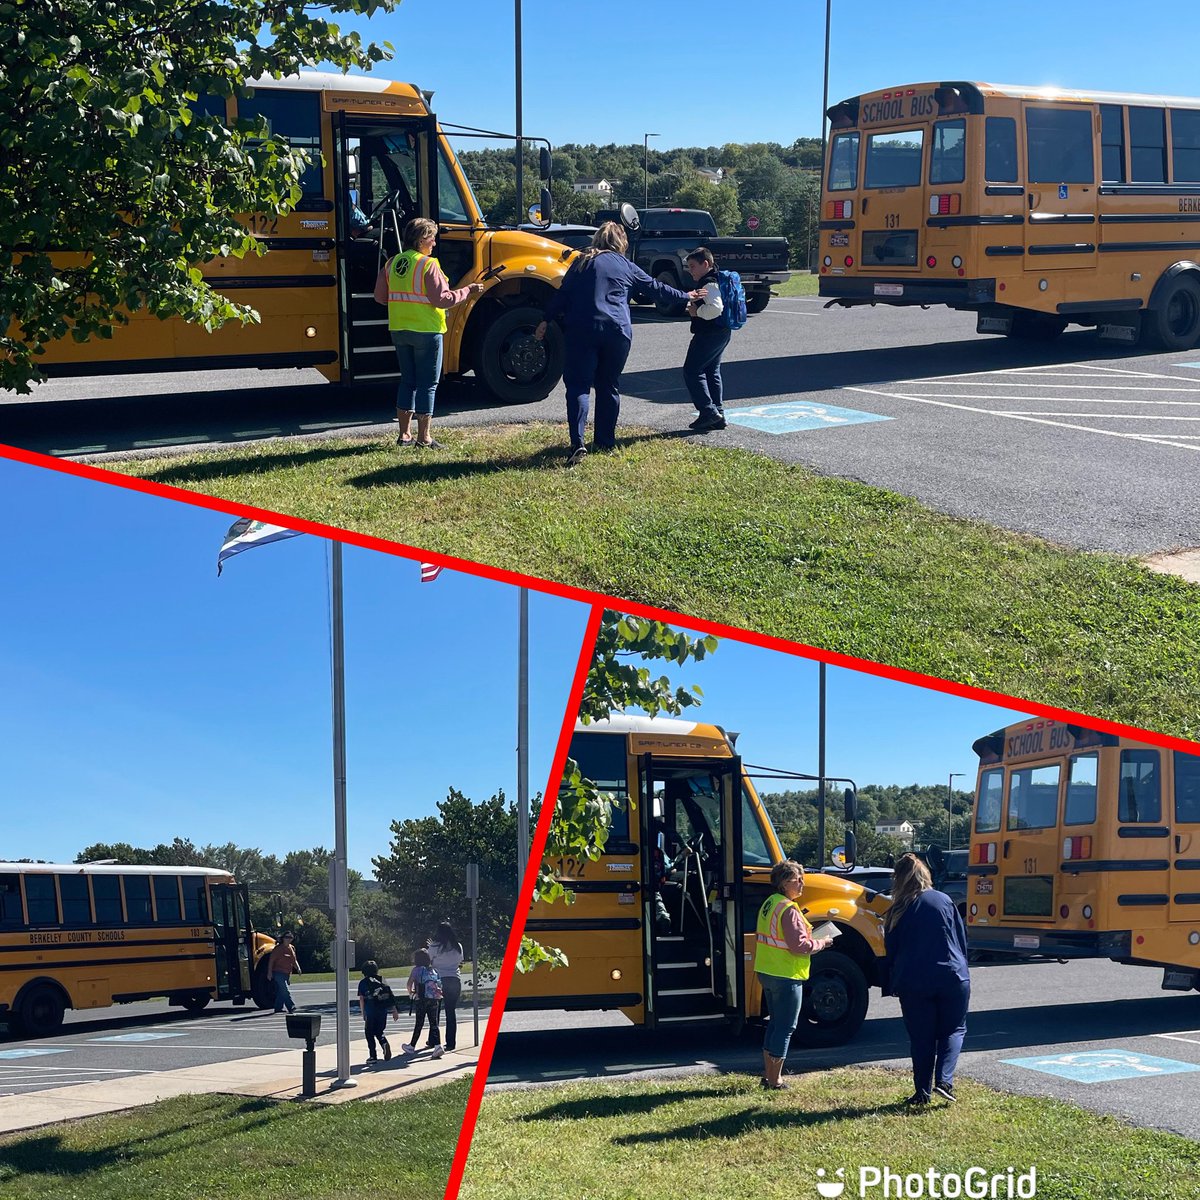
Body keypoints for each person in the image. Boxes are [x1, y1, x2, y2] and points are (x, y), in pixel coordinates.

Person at [534, 221, 700, 466]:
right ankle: (605, 441)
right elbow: (655, 288)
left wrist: (545, 319)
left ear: (598, 239)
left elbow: (563, 295)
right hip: (617, 332)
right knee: (608, 385)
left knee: (579, 387)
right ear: (621, 242)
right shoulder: (625, 265)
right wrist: (685, 295)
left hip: (582, 330)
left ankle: (577, 442)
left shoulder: (580, 262)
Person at [378, 217, 484, 449]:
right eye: (431, 238)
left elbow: (379, 297)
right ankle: (424, 438)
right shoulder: (429, 265)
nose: (434, 243)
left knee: (408, 381)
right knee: (428, 384)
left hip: (399, 329)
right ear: (421, 240)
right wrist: (468, 290)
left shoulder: (391, 263)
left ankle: (404, 435)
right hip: (426, 330)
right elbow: (442, 299)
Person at [883, 853, 971, 1106]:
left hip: (914, 981)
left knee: (921, 1038)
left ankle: (922, 1091)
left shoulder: (897, 909)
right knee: (953, 1030)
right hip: (952, 976)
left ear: (898, 879)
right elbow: (961, 939)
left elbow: (891, 950)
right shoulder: (944, 900)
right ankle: (944, 1081)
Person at [753, 860, 833, 1089]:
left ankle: (768, 1076)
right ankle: (775, 1080)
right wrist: (822, 942)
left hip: (767, 971)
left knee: (775, 1024)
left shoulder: (771, 903)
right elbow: (799, 946)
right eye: (797, 880)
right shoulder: (788, 909)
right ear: (784, 882)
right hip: (786, 974)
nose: (802, 884)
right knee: (786, 1027)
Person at [682, 247, 730, 432]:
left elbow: (715, 308)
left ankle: (708, 412)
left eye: (693, 266)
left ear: (706, 264)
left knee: (692, 370)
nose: (690, 270)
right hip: (722, 332)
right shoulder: (716, 279)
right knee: (712, 371)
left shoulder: (709, 283)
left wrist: (696, 311)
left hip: (709, 333)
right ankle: (718, 414)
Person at [427, 922, 465, 1053]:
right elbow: (460, 962)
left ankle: (433, 1040)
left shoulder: (434, 946)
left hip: (438, 980)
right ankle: (450, 1043)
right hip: (454, 979)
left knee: (434, 1012)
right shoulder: (458, 947)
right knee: (450, 1012)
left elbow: (428, 962)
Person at [401, 947, 444, 1059]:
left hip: (422, 999)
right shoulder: (433, 970)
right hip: (434, 999)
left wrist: (411, 993)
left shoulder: (416, 970)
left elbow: (409, 984)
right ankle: (438, 1045)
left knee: (419, 1023)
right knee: (434, 1023)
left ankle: (412, 1046)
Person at [356, 960, 400, 1065]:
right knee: (379, 1031)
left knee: (369, 1033)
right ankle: (384, 1042)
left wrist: (363, 1013)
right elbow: (390, 995)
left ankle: (373, 1056)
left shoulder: (363, 983)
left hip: (370, 1011)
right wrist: (394, 1010)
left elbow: (362, 999)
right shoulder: (382, 980)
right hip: (382, 1011)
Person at [266, 931, 301, 1014]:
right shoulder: (277, 949)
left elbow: (294, 960)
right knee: (285, 989)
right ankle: (291, 1006)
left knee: (281, 991)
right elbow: (271, 961)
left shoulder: (291, 948)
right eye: (287, 937)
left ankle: (278, 1007)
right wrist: (269, 972)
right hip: (278, 972)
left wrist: (298, 968)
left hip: (287, 973)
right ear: (283, 938)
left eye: (290, 938)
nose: (289, 939)